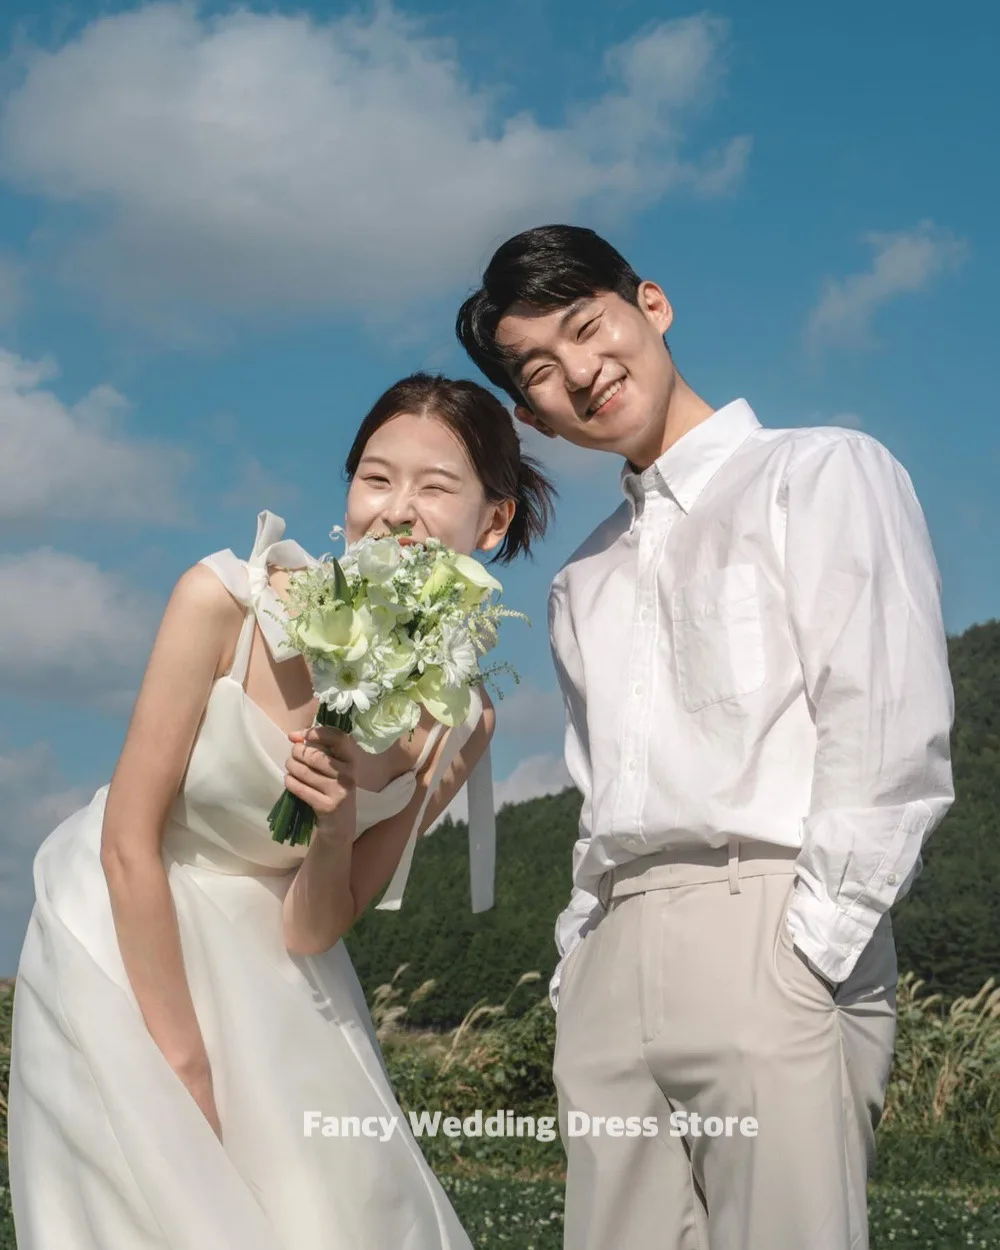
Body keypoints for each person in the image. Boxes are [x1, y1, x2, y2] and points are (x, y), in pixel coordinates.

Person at [455, 225, 955, 1250]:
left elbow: (885, 719)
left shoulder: (818, 472)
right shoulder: (577, 580)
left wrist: (813, 945)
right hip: (613, 956)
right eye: (541, 368)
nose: (582, 372)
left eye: (589, 327)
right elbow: (601, 797)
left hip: (769, 921)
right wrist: (577, 963)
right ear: (526, 411)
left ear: (651, 303)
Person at [7, 372, 555, 1250]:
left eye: (436, 486)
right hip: (122, 927)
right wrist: (181, 1063)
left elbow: (314, 928)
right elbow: (126, 843)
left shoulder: (461, 721)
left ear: (493, 521)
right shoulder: (221, 601)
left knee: (337, 1211)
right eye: (376, 478)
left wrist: (335, 823)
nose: (397, 510)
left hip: (275, 952)